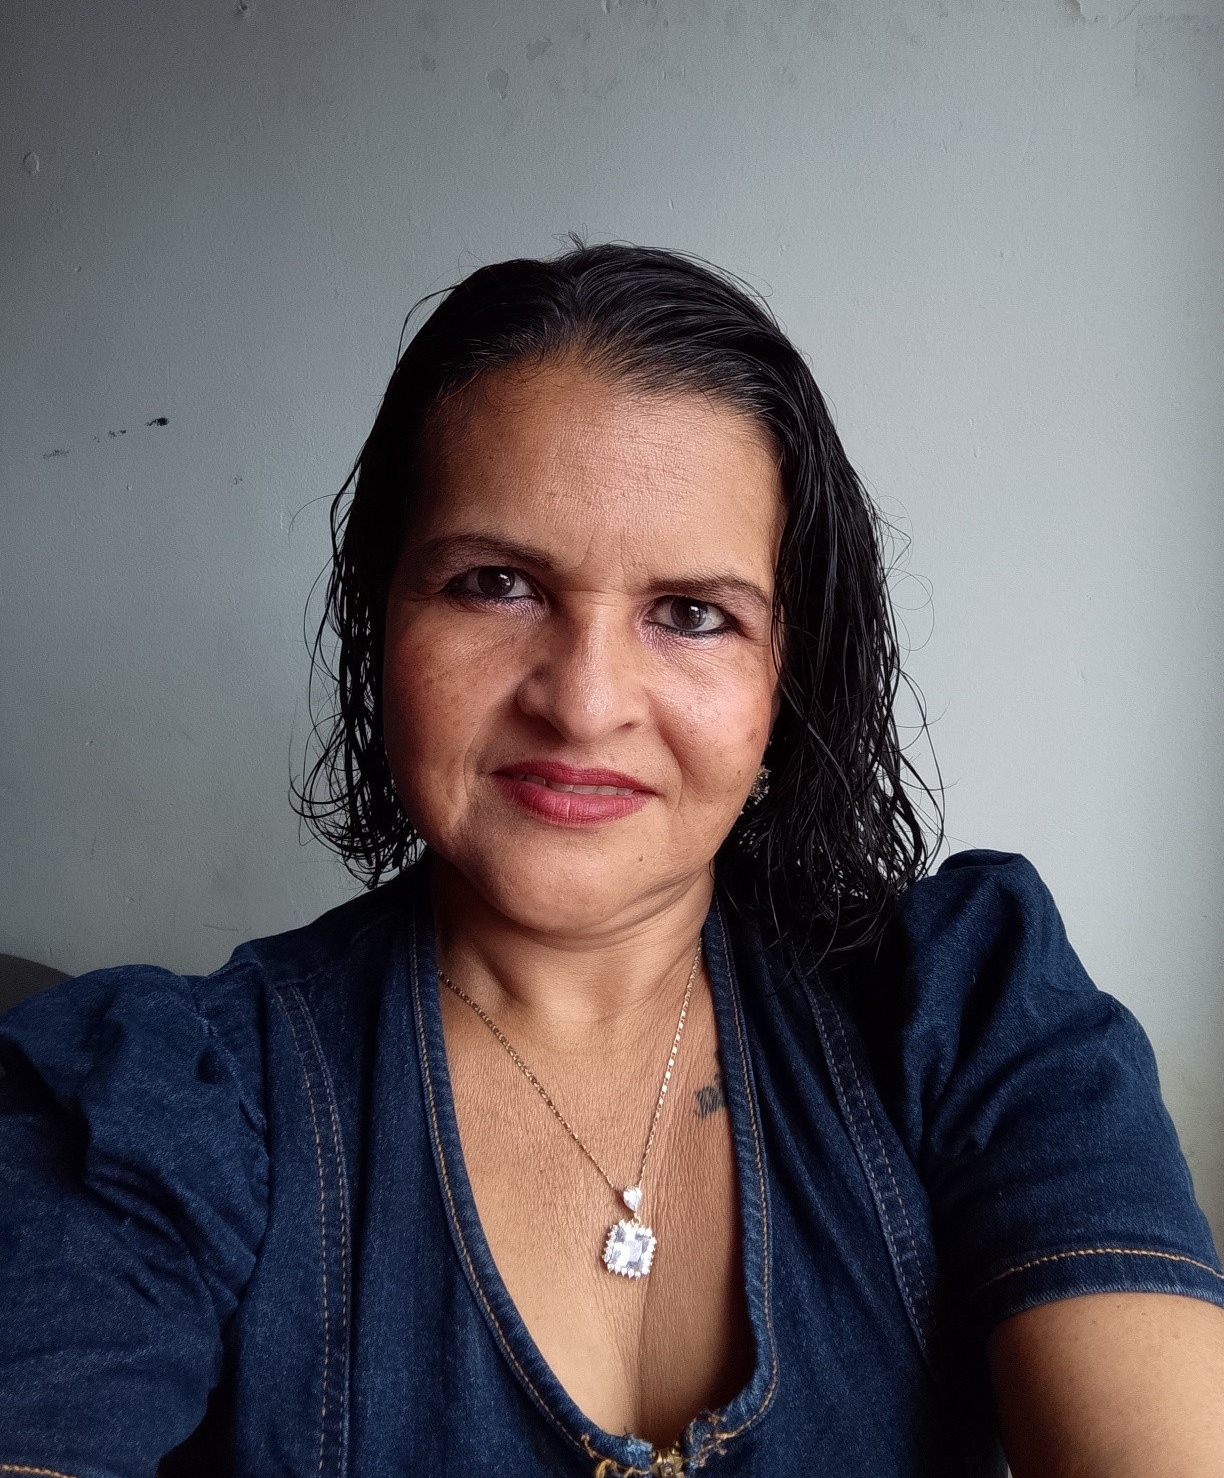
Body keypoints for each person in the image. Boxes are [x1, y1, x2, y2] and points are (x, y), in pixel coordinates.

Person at [1, 243, 1221, 1478]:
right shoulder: (167, 1101)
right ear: (381, 619)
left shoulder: (967, 1009)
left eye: (692, 613)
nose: (584, 704)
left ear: (787, 673)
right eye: (495, 584)